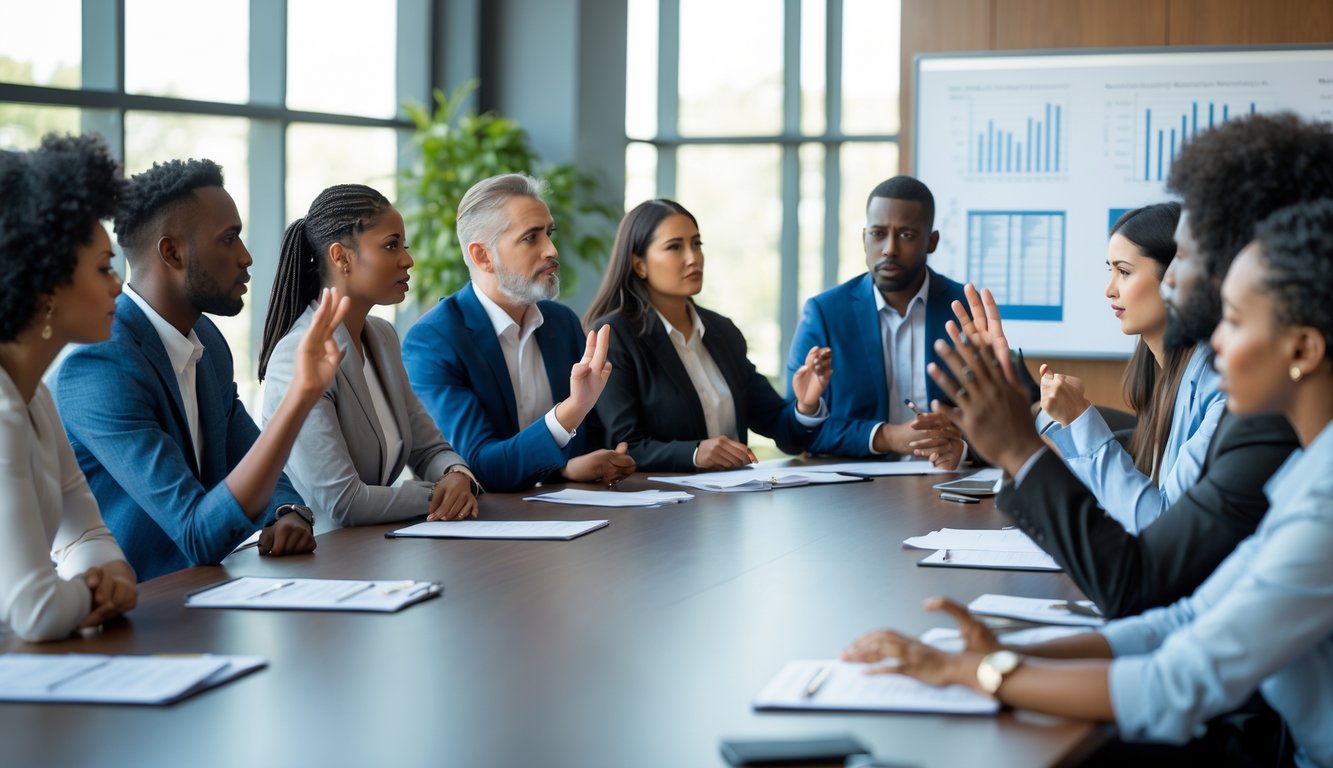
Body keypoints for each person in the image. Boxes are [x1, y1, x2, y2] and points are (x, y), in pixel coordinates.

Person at [842, 197, 1333, 767]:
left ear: (1303, 349)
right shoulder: (1303, 471)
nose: (1213, 341)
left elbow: (1175, 682)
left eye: (1235, 321)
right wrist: (1006, 651)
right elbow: (1186, 620)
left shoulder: (1316, 497)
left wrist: (974, 670)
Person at [944, 113, 1328, 618]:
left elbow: (1151, 562)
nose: (1171, 282)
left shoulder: (1247, 409)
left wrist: (1026, 443)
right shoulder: (1178, 378)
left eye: (1183, 260)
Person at [55, 159, 349, 581]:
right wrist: (301, 395)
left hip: (207, 598)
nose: (246, 257)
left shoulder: (207, 341)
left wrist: (288, 511)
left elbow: (251, 456)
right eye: (229, 239)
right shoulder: (101, 363)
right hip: (136, 613)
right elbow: (196, 536)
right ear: (172, 252)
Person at [259, 184, 478, 527]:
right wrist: (437, 494)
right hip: (326, 559)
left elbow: (429, 448)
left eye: (403, 246)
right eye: (391, 246)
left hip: (376, 548)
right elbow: (343, 502)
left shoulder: (382, 336)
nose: (408, 259)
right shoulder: (296, 358)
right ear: (341, 257)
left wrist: (456, 475)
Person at [402, 173, 633, 492]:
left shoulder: (562, 323)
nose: (551, 250)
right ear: (482, 256)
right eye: (531, 238)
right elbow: (478, 468)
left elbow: (591, 439)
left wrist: (574, 467)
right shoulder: (433, 340)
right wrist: (571, 411)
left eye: (549, 233)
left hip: (569, 516)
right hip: (479, 528)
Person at [0, 134, 137, 641]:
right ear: (46, 285)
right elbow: (34, 611)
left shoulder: (34, 394)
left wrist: (111, 573)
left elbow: (85, 530)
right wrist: (99, 591)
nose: (117, 284)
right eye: (103, 268)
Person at [585, 199, 832, 472]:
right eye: (675, 247)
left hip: (734, 500)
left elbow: (787, 435)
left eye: (697, 244)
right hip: (661, 507)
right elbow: (624, 445)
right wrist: (695, 453)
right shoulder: (614, 335)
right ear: (639, 264)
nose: (693, 258)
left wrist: (806, 406)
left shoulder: (722, 331)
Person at [1034, 202, 1225, 533]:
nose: (1109, 289)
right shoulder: (1160, 372)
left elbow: (1159, 525)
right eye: (1110, 270)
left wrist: (1080, 421)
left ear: (1176, 278)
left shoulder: (1216, 382)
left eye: (1123, 271)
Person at [785, 176, 968, 467]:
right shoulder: (825, 313)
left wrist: (963, 448)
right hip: (853, 498)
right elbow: (793, 433)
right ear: (864, 237)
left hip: (947, 486)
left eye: (906, 235)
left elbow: (1000, 418)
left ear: (931, 242)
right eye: (878, 233)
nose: (889, 249)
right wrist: (888, 437)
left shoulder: (965, 307)